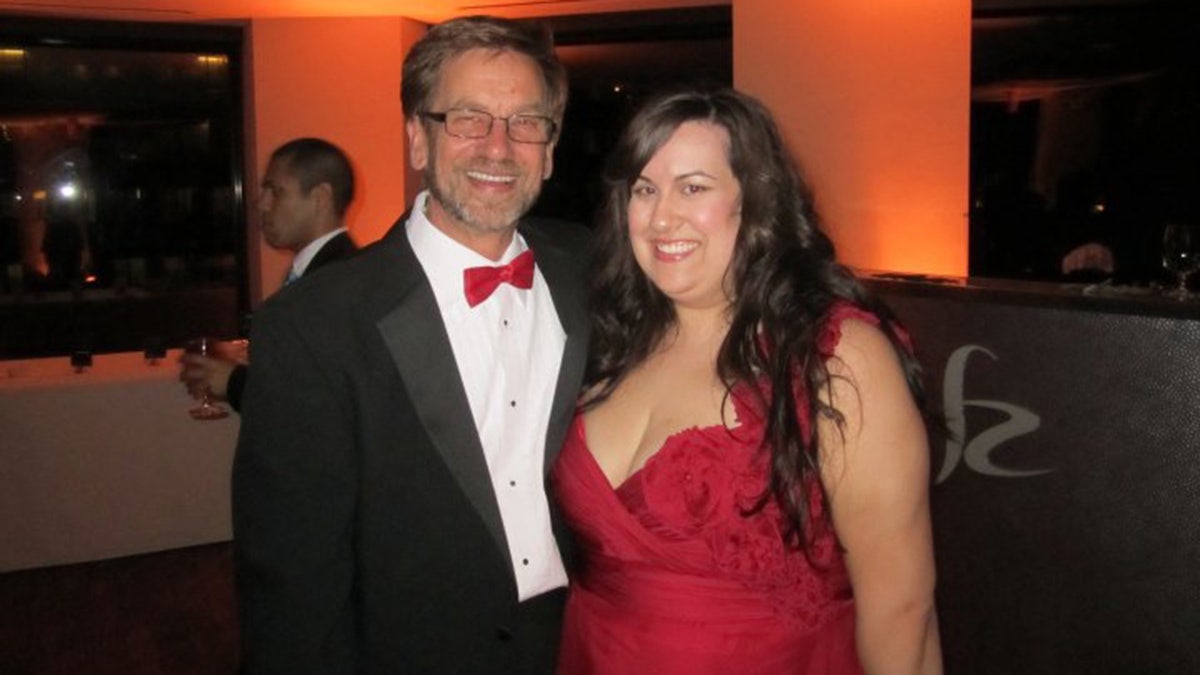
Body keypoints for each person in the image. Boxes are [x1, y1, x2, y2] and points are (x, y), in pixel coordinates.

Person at [231, 16, 589, 674]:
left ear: (551, 146)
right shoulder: (312, 325)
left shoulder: (593, 274)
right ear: (417, 139)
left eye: (526, 122)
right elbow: (292, 586)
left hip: (579, 645)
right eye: (468, 118)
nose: (499, 147)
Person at [552, 87, 942, 674]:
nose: (661, 217)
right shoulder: (608, 338)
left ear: (755, 201)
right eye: (644, 190)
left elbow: (902, 609)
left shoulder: (834, 358)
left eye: (693, 187)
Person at [179, 137, 358, 412]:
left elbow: (317, 400)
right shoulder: (315, 270)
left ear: (320, 198)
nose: (260, 204)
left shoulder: (338, 280)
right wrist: (247, 357)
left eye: (275, 191)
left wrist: (233, 382)